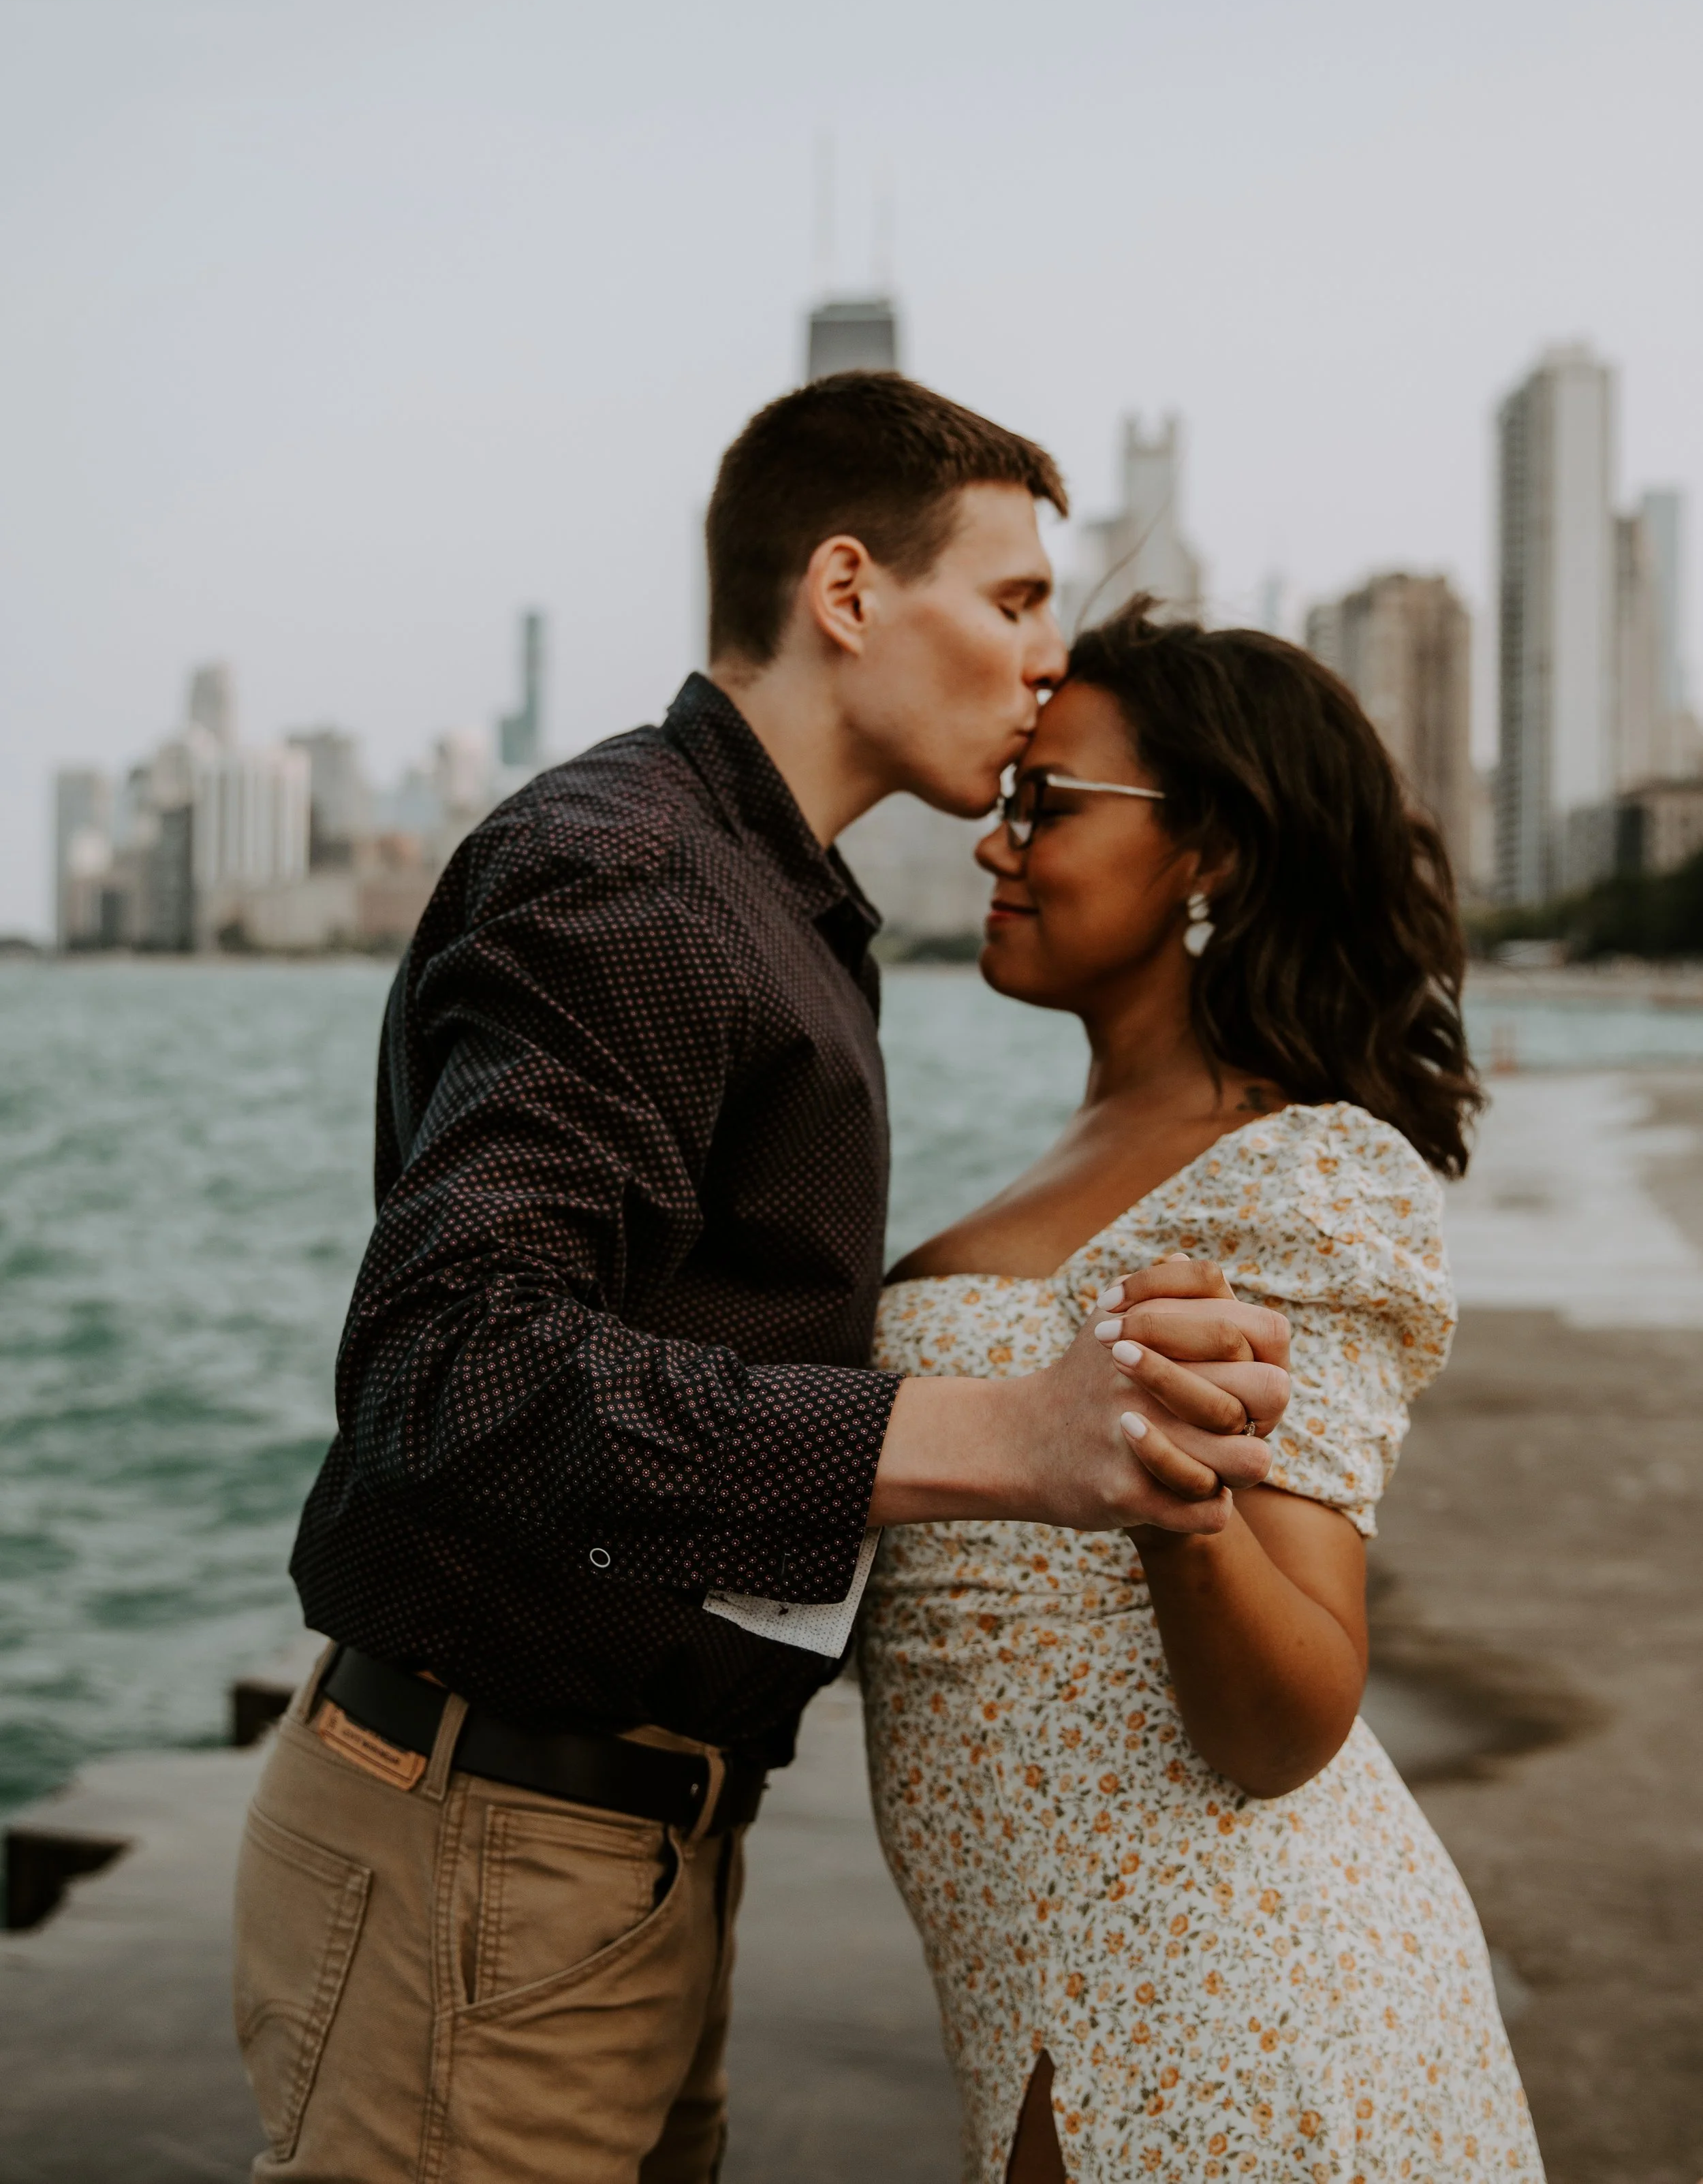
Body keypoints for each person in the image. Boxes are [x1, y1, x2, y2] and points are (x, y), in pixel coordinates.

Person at [230, 376, 1292, 2184]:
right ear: (849, 590)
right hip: (494, 1833)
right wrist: (1010, 1433)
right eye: (1016, 597)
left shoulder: (761, 898)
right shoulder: (633, 878)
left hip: (615, 1843)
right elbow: (455, 1371)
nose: (1046, 657)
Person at [860, 599, 1545, 2183]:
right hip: (1048, 1978)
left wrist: (1168, 1502)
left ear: (1209, 854)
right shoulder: (1091, 1152)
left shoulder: (1299, 1175)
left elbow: (1288, 1715)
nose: (994, 843)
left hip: (1221, 2002)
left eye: (1049, 804)